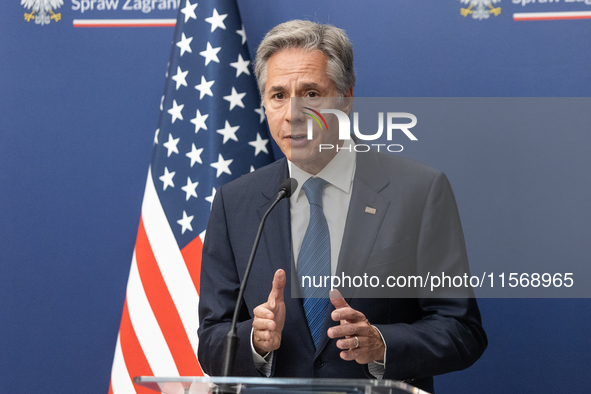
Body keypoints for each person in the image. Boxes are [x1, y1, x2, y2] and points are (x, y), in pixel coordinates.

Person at [197, 20, 487, 393]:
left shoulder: (418, 191)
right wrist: (255, 339)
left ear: (346, 98)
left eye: (311, 93)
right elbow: (212, 338)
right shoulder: (236, 202)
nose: (293, 113)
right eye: (278, 95)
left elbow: (463, 330)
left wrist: (382, 344)